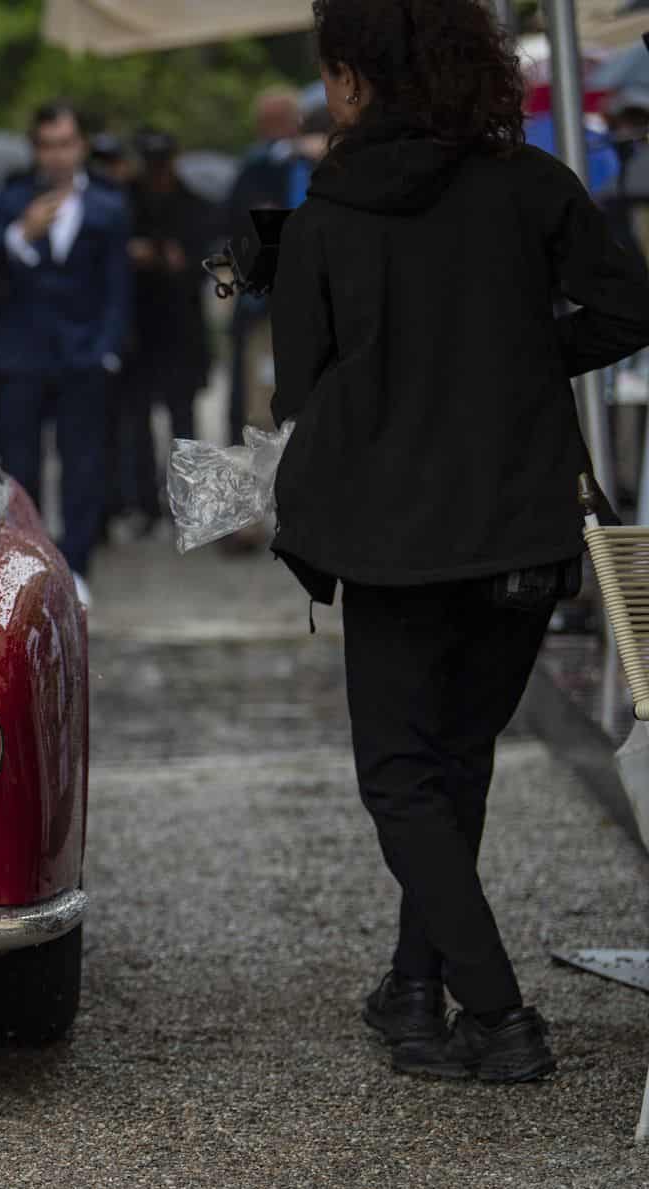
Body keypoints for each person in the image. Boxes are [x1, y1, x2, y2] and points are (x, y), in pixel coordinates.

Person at [272, 0, 649, 1082]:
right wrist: (521, 356)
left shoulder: (329, 210)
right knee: (456, 761)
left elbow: (301, 389)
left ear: (357, 78)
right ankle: (412, 986)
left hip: (396, 537)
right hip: (522, 527)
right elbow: (630, 309)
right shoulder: (533, 184)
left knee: (401, 777)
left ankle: (498, 1013)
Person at [0, 101, 132, 602]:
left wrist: (107, 350)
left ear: (80, 146)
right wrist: (20, 235)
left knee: (82, 465)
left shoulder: (108, 204)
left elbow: (118, 288)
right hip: (22, 354)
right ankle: (27, 566)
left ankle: (78, 567)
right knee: (19, 464)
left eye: (65, 144)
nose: (57, 155)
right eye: (47, 145)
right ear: (35, 149)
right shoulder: (12, 198)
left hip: (83, 356)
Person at [112, 129, 213, 535]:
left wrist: (177, 261)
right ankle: (144, 504)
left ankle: (184, 502)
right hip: (139, 328)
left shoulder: (193, 205)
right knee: (136, 421)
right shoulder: (127, 201)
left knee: (182, 420)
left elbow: (204, 265)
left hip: (180, 329)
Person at [227, 88, 314, 445]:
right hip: (259, 299)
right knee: (252, 403)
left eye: (278, 121)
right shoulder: (257, 165)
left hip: (302, 300)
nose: (270, 130)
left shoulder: (310, 162)